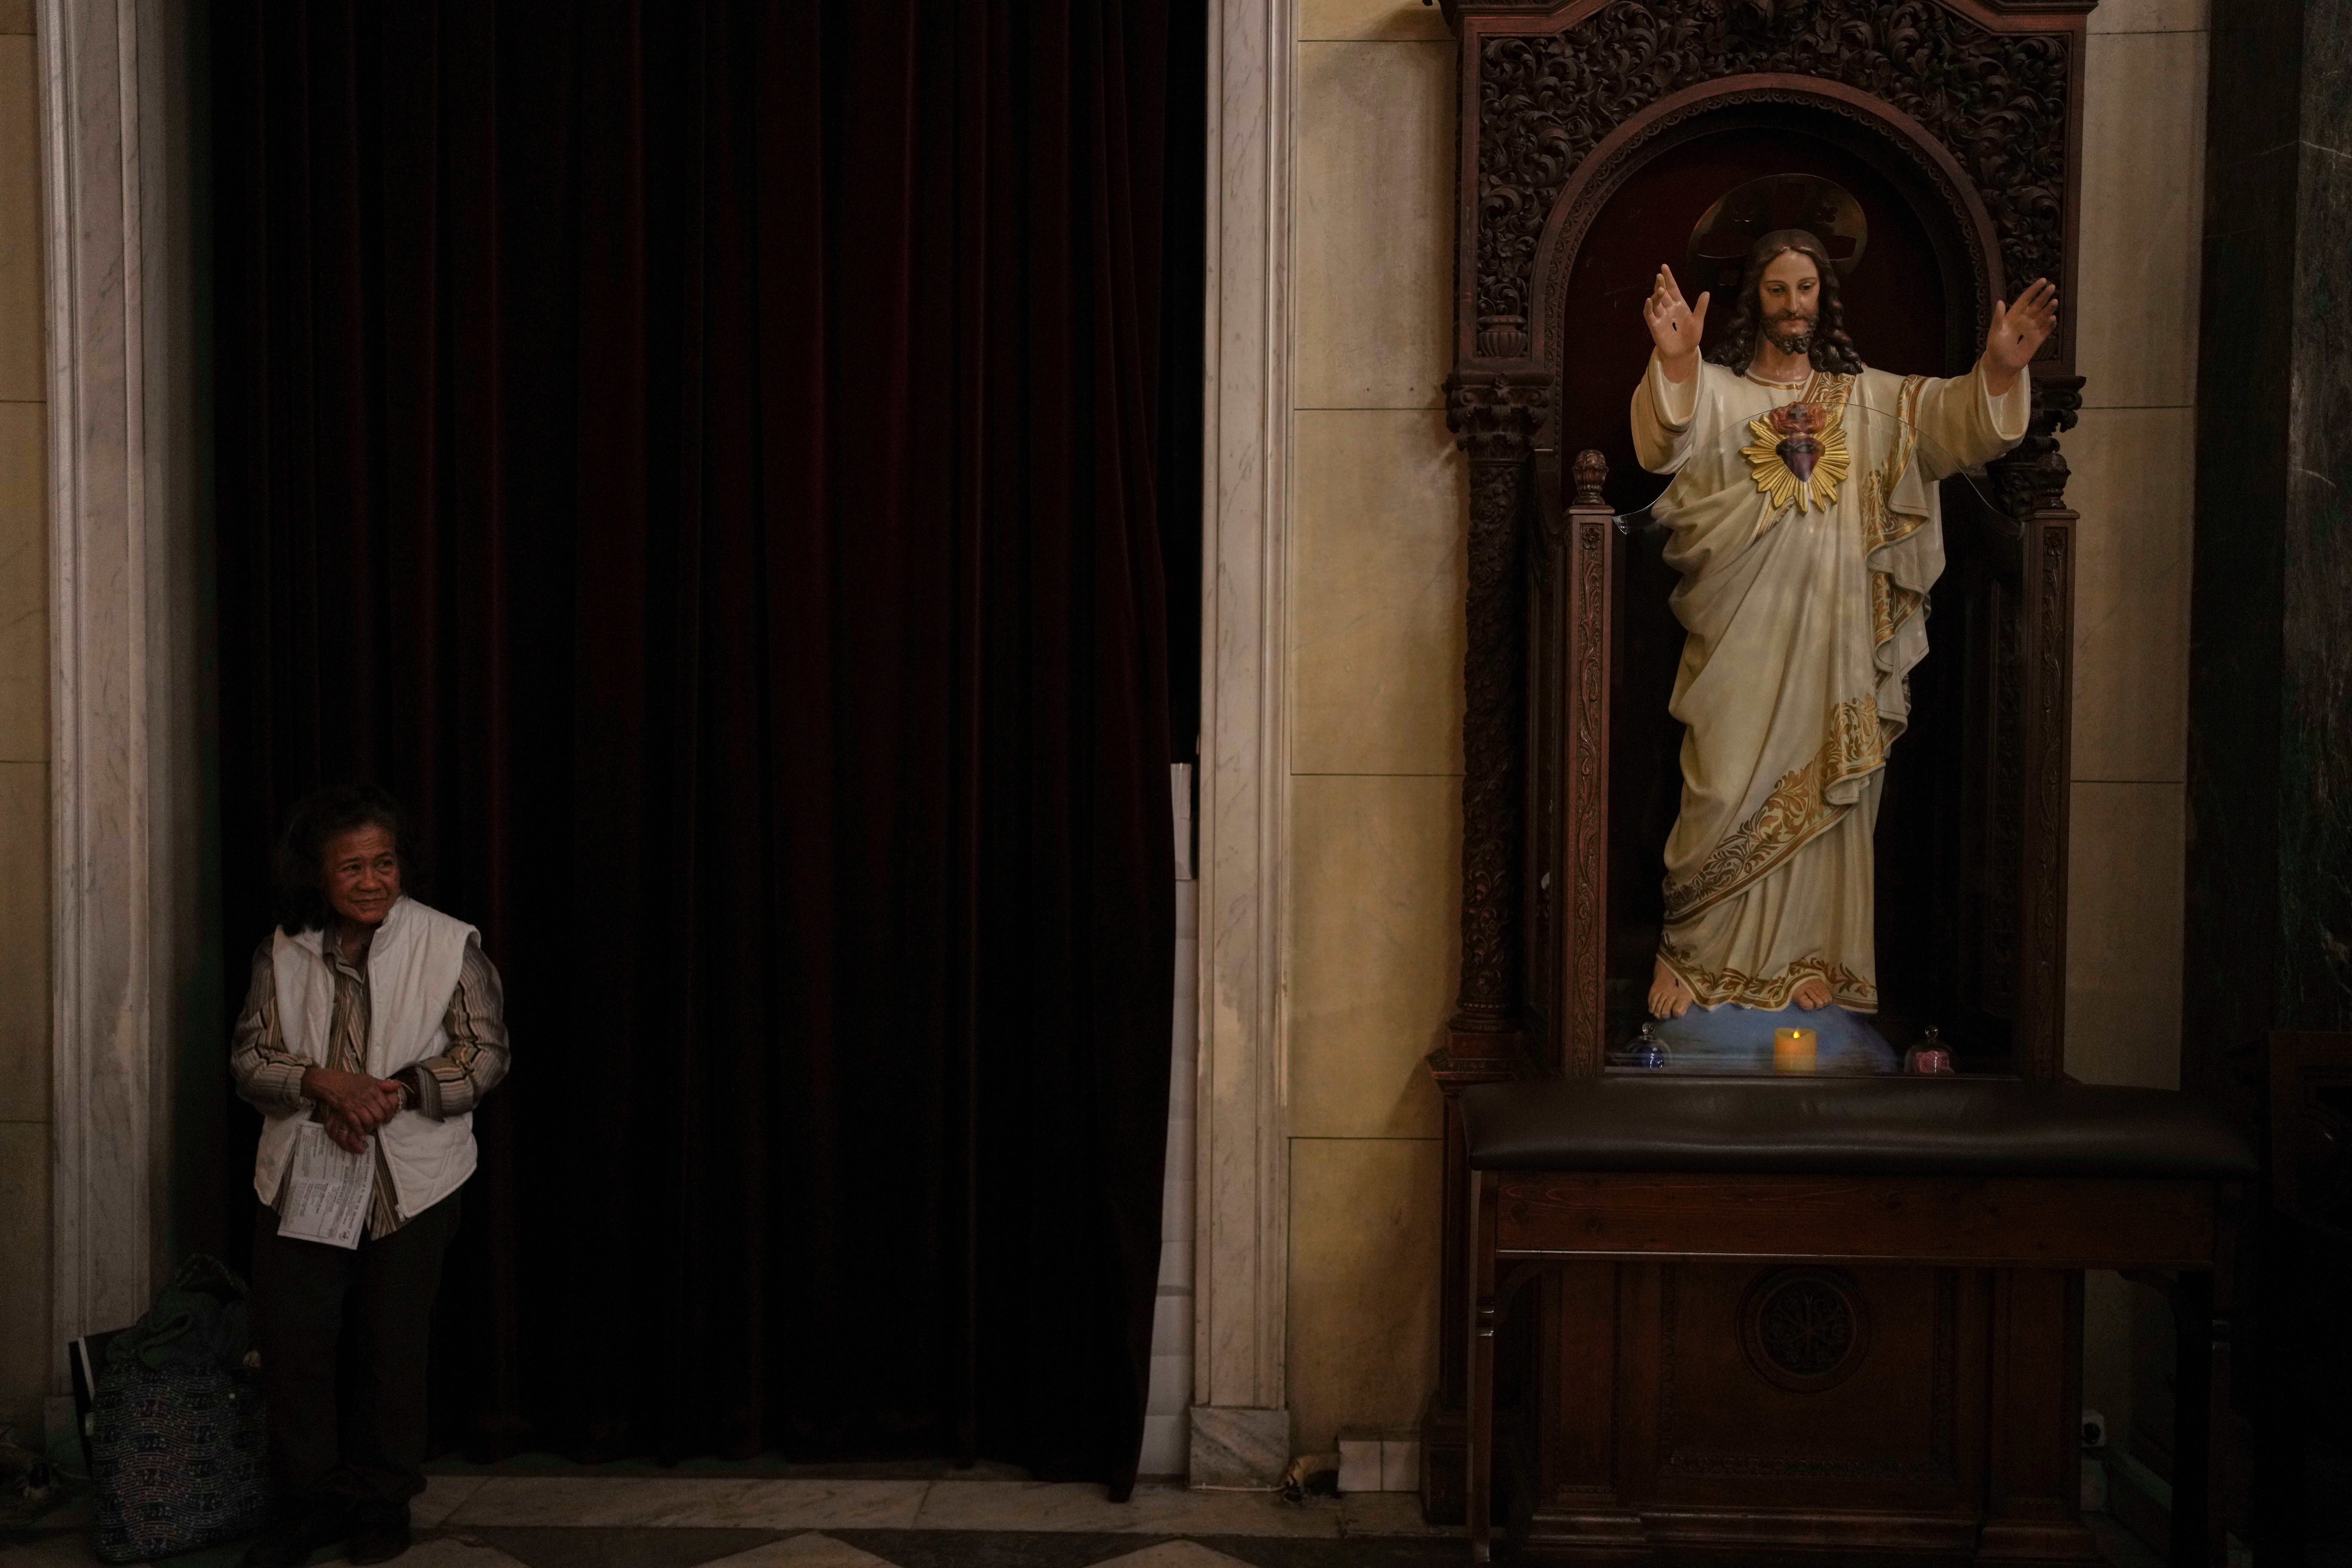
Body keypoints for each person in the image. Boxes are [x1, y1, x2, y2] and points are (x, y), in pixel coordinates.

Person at [1631, 229, 2057, 1023]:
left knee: (1831, 787)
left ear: (1824, 299)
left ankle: (1809, 960)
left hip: (1834, 645)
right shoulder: (1720, 391)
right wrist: (1681, 363)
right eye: (1777, 289)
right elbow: (1663, 445)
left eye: (1805, 289)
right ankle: (1692, 956)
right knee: (1720, 782)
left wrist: (1999, 370)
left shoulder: (1870, 400)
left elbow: (1954, 423)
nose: (1793, 305)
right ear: (1753, 298)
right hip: (1738, 640)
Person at [230, 786, 510, 1567]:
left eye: (383, 862)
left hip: (414, 1180)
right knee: (296, 1347)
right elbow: (250, 1059)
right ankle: (308, 1504)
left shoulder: (450, 943)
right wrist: (324, 1084)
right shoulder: (281, 949)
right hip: (298, 1178)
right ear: (318, 877)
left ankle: (383, 1502)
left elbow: (485, 1054)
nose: (371, 880)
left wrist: (393, 1092)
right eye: (351, 866)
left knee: (393, 1349)